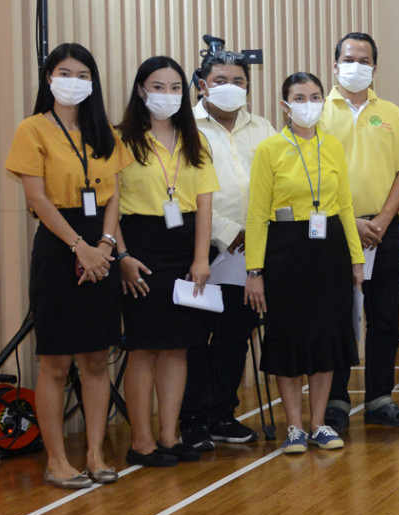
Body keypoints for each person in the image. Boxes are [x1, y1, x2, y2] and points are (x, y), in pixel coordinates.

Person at [6, 45, 129, 487]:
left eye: (82, 74)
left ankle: (95, 453)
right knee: (56, 361)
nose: (73, 80)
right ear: (48, 79)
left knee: (97, 358)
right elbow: (35, 198)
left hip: (102, 245)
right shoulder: (32, 128)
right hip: (60, 246)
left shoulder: (104, 132)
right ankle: (57, 461)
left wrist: (106, 245)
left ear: (93, 82)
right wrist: (80, 247)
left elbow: (114, 194)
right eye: (64, 72)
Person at [245, 73, 364, 455]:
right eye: (300, 97)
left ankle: (318, 423)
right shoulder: (269, 149)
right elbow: (256, 214)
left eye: (315, 96)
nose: (308, 103)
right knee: (289, 336)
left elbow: (345, 206)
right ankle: (294, 425)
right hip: (285, 250)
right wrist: (254, 270)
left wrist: (356, 260)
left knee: (327, 336)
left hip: (329, 251)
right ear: (285, 105)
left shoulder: (331, 146)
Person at [112, 56, 218, 465]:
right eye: (158, 87)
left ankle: (170, 435)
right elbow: (111, 204)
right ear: (141, 90)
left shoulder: (197, 140)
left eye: (176, 88)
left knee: (178, 347)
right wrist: (121, 255)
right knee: (144, 348)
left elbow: (205, 206)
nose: (167, 96)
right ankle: (141, 442)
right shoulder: (120, 139)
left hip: (185, 247)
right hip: (140, 245)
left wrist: (200, 259)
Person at [320, 32, 399, 432]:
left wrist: (381, 220)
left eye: (364, 60)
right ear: (334, 65)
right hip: (333, 229)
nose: (355, 66)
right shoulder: (318, 111)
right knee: (337, 316)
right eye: (348, 59)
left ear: (375, 68)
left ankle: (380, 397)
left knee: (383, 318)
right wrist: (351, 223)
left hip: (384, 229)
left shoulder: (391, 113)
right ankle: (337, 399)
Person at [187, 47, 276, 445]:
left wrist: (254, 234)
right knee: (195, 337)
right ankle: (192, 419)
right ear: (203, 85)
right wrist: (227, 230)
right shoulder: (186, 126)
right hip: (203, 247)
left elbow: (278, 180)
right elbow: (184, 188)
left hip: (251, 251)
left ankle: (222, 414)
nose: (230, 88)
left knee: (234, 337)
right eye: (221, 81)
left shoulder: (263, 127)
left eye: (238, 82)